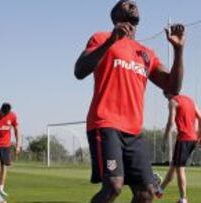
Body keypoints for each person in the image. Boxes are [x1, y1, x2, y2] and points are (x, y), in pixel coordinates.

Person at [74, 0, 185, 202]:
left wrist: (178, 51)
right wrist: (111, 42)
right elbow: (79, 70)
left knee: (147, 193)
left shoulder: (146, 53)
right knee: (113, 186)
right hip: (105, 124)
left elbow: (172, 87)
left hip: (134, 132)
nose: (133, 5)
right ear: (115, 13)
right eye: (126, 4)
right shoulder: (101, 38)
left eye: (135, 4)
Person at [155, 93, 201, 203]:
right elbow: (200, 118)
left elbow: (170, 123)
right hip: (192, 139)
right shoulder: (191, 100)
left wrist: (164, 140)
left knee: (180, 168)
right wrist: (198, 136)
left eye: (165, 94)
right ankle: (160, 190)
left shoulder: (174, 101)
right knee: (174, 166)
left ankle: (183, 199)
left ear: (168, 91)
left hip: (184, 138)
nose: (165, 97)